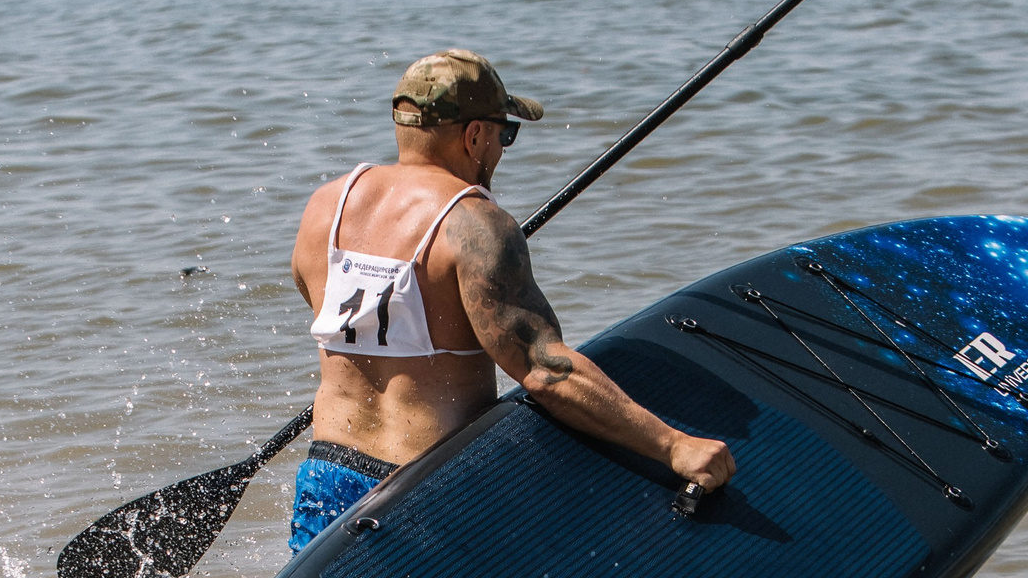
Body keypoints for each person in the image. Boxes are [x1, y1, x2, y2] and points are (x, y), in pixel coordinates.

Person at [285, 50, 733, 551]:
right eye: (505, 133)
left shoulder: (326, 206)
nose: (500, 149)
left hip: (326, 473)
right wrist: (674, 446)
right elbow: (546, 372)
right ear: (474, 135)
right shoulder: (475, 224)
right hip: (424, 489)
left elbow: (321, 301)